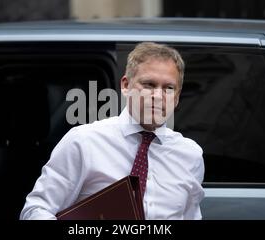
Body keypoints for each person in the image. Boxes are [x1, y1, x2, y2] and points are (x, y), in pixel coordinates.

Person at [20, 42, 205, 220]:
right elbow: (36, 211)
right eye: (148, 85)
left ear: (178, 97)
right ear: (126, 86)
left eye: (169, 88)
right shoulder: (84, 142)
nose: (158, 96)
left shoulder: (190, 155)